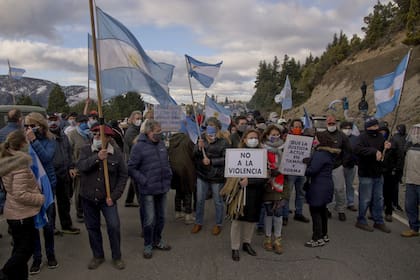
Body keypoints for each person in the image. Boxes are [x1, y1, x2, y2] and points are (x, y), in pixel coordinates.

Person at [77, 124, 128, 270]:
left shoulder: (117, 154)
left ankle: (117, 256)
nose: (96, 137)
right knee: (92, 228)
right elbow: (80, 166)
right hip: (88, 198)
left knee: (114, 227)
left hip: (108, 199)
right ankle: (98, 255)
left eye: (99, 135)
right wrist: (96, 158)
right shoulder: (86, 150)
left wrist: (114, 195)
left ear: (108, 138)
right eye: (94, 134)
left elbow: (123, 175)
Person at [0, 130, 45, 280]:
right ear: (21, 144)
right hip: (21, 215)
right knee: (26, 249)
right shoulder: (19, 165)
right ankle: (5, 272)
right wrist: (40, 198)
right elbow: (20, 194)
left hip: (15, 212)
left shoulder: (8, 160)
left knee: (19, 249)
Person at [128, 120, 173, 259]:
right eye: (157, 131)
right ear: (148, 132)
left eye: (160, 131)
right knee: (149, 220)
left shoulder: (160, 144)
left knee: (161, 217)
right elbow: (131, 168)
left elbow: (166, 162)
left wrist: (168, 174)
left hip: (162, 187)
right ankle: (148, 244)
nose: (160, 133)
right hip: (147, 189)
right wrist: (144, 180)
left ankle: (157, 240)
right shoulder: (138, 147)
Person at [24, 112, 58, 275]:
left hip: (47, 186)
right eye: (26, 126)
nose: (28, 129)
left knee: (48, 225)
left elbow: (46, 158)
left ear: (40, 125)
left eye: (31, 126)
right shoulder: (24, 140)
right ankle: (37, 257)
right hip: (30, 187)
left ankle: (50, 254)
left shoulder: (50, 140)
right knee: (33, 225)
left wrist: (34, 141)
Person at [228, 129, 267, 261]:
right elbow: (230, 173)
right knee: (237, 221)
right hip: (239, 193)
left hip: (255, 192)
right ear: (244, 139)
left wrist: (249, 181)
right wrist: (238, 181)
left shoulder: (262, 155)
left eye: (256, 138)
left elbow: (264, 177)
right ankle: (235, 247)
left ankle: (247, 243)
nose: (253, 140)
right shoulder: (235, 154)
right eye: (250, 137)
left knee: (251, 221)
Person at [191, 117, 229, 235]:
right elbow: (194, 155)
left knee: (218, 201)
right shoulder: (201, 138)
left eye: (213, 126)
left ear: (217, 128)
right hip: (202, 175)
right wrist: (198, 147)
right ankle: (198, 222)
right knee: (200, 200)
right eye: (208, 126)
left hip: (217, 176)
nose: (210, 129)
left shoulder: (224, 141)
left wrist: (212, 161)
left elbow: (227, 158)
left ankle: (218, 224)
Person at [354, 117, 391, 233]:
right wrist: (373, 151)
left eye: (377, 126)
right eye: (374, 126)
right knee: (365, 199)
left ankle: (378, 221)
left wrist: (386, 148)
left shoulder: (380, 137)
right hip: (366, 173)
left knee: (379, 199)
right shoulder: (362, 137)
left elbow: (382, 154)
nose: (376, 128)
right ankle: (361, 220)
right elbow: (358, 150)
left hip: (378, 173)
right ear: (368, 127)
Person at [304, 133, 340, 247]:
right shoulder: (327, 153)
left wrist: (304, 167)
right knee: (322, 211)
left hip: (318, 187)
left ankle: (316, 238)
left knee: (315, 212)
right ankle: (324, 235)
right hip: (325, 185)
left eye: (315, 139)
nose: (314, 141)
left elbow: (312, 171)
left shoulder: (320, 154)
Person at [48, 113, 80, 235]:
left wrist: (71, 166)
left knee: (64, 201)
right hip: (50, 173)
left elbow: (69, 153)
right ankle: (51, 227)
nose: (53, 123)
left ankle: (66, 225)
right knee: (50, 203)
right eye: (50, 120)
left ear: (60, 121)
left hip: (64, 173)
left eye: (55, 120)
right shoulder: (45, 137)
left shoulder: (64, 136)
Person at [261, 124, 289, 254]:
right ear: (267, 135)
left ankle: (277, 239)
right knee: (268, 212)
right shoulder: (262, 149)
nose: (275, 136)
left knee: (278, 212)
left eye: (277, 134)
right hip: (268, 184)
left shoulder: (286, 148)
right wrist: (269, 172)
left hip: (282, 183)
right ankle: (267, 238)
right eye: (273, 134)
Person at [319, 115, 352, 221]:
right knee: (326, 190)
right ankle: (327, 208)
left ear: (336, 124)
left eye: (333, 123)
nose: (331, 125)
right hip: (325, 167)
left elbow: (348, 150)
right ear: (326, 124)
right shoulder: (321, 135)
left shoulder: (342, 136)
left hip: (337, 166)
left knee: (339, 189)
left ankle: (341, 209)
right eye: (329, 123)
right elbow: (317, 149)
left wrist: (344, 162)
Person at [282, 118, 310, 224]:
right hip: (290, 171)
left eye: (299, 127)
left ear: (302, 128)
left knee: (301, 193)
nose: (297, 128)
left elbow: (309, 153)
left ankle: (299, 213)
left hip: (302, 170)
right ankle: (285, 215)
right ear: (291, 128)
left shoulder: (306, 140)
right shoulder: (286, 139)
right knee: (287, 194)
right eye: (295, 127)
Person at [168, 128, 196, 225]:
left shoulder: (171, 140)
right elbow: (194, 153)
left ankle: (178, 212)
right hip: (186, 169)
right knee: (188, 191)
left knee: (178, 191)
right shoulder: (188, 140)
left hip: (174, 168)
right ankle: (188, 215)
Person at [67, 114, 91, 222]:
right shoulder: (72, 135)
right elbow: (69, 152)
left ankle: (89, 211)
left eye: (86, 122)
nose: (84, 124)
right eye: (82, 123)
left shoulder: (91, 134)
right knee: (79, 191)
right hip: (78, 167)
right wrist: (72, 166)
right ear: (77, 123)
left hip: (91, 166)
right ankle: (80, 212)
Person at [0, 109, 23, 218]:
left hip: (5, 168)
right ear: (19, 119)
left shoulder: (1, 132)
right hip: (19, 169)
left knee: (7, 195)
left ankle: (10, 221)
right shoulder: (21, 133)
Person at [400, 124, 420, 237]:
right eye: (415, 131)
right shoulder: (408, 146)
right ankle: (414, 228)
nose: (416, 134)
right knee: (410, 206)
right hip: (410, 181)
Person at [378, 123, 399, 222]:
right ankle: (376, 211)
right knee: (377, 193)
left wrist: (391, 148)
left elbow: (398, 157)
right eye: (380, 132)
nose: (382, 133)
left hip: (389, 172)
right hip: (378, 171)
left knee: (388, 193)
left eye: (384, 132)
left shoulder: (393, 142)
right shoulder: (376, 141)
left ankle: (388, 212)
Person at [123, 110, 142, 207]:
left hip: (135, 159)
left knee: (133, 181)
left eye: (140, 119)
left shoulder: (137, 129)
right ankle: (141, 201)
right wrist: (142, 133)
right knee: (136, 181)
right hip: (132, 159)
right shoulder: (131, 131)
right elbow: (134, 143)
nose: (139, 121)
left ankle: (129, 200)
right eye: (137, 119)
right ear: (132, 119)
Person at [340, 121, 358, 212]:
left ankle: (350, 202)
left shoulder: (356, 139)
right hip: (339, 165)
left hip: (351, 165)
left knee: (350, 185)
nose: (347, 130)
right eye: (345, 128)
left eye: (349, 128)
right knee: (338, 186)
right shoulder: (338, 137)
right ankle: (338, 203)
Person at [390, 124, 407, 211]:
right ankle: (391, 203)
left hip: (401, 166)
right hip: (394, 166)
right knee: (393, 186)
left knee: (395, 186)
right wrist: (393, 166)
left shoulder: (406, 138)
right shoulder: (394, 138)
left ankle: (395, 203)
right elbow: (392, 153)